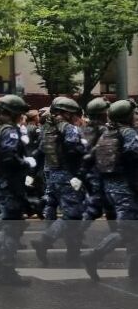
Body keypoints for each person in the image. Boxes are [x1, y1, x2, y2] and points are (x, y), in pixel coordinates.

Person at [80, 99, 138, 282]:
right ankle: (94, 256)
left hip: (110, 187)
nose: (136, 116)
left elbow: (90, 158)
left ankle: (135, 270)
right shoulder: (128, 133)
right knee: (127, 229)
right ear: (127, 116)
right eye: (134, 113)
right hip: (126, 187)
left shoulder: (108, 133)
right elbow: (133, 154)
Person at [0, 95, 35, 286]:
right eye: (19, 113)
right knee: (12, 227)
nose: (21, 116)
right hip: (8, 183)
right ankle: (6, 268)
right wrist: (25, 163)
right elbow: (9, 157)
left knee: (13, 222)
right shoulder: (8, 130)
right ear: (11, 113)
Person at [31, 97, 87, 265]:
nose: (73, 116)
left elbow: (40, 151)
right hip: (67, 175)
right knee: (73, 214)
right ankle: (45, 241)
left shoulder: (47, 128)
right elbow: (72, 150)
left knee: (68, 212)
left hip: (52, 174)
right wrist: (83, 148)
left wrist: (33, 173)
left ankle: (73, 253)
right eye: (71, 113)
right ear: (65, 113)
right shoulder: (69, 128)